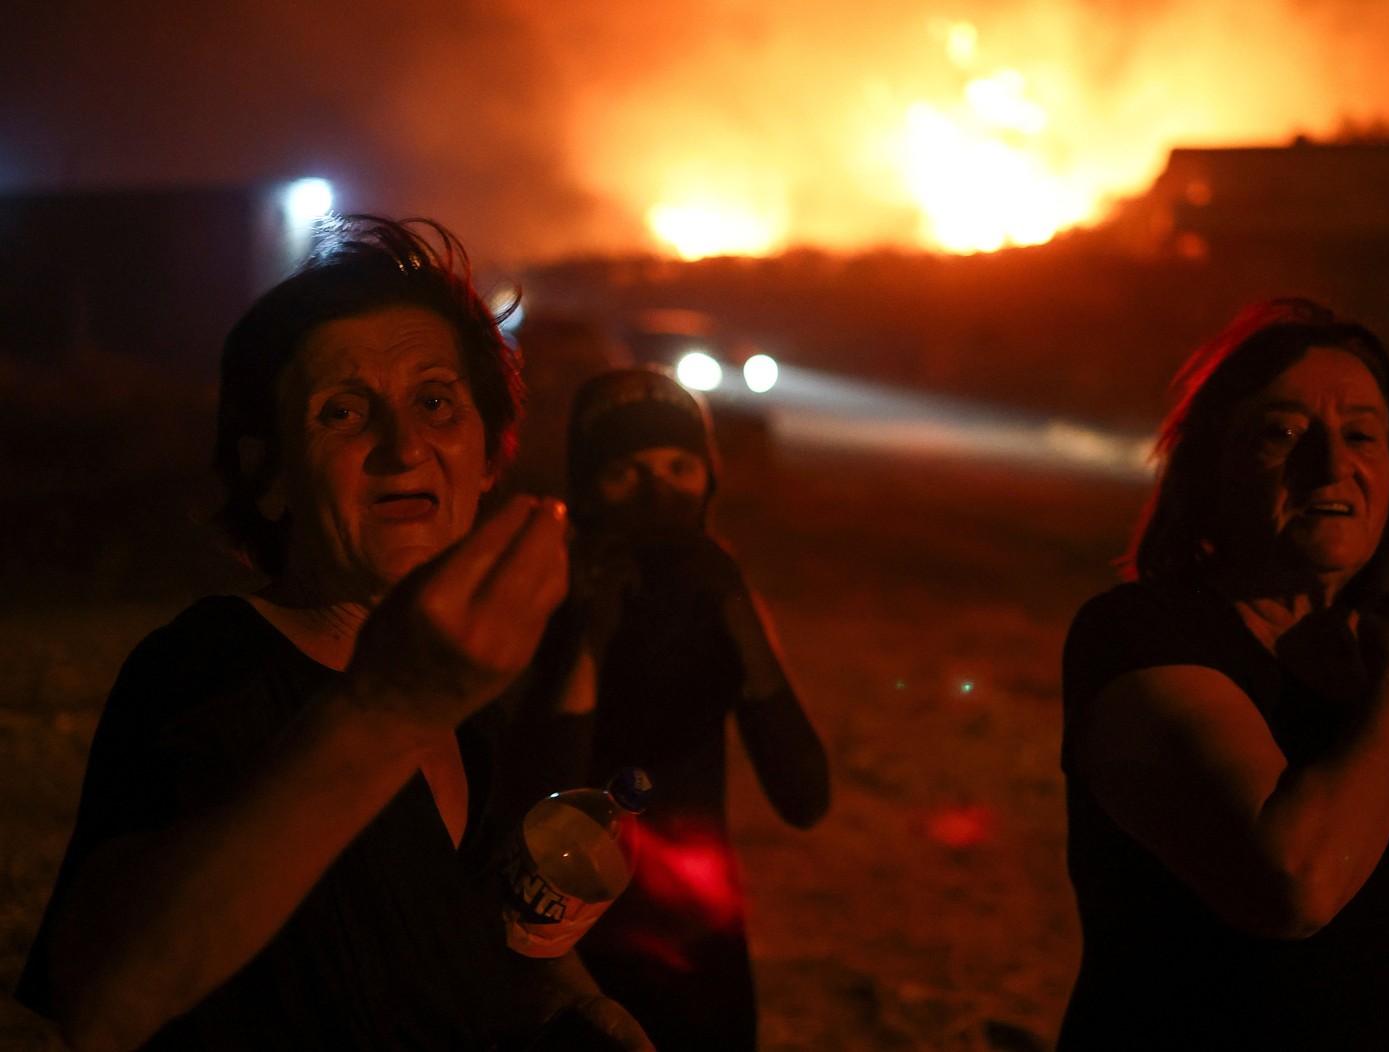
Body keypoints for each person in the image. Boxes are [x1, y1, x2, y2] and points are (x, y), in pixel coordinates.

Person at [15, 216, 651, 1051]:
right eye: (343, 413)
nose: (404, 447)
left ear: (489, 455)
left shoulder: (466, 697)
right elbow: (104, 1001)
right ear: (269, 476)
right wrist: (388, 708)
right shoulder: (209, 669)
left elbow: (445, 927)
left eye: (435, 402)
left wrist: (566, 998)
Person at [1056, 298, 1389, 1048]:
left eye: (1361, 435)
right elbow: (1292, 883)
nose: (1332, 463)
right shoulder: (1142, 636)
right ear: (1209, 466)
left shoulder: (1379, 659)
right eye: (1283, 432)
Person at [523, 367, 830, 1051]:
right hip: (575, 952)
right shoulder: (544, 603)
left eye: (679, 466)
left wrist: (734, 607)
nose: (659, 493)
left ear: (709, 477)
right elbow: (548, 814)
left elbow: (805, 796)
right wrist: (589, 634)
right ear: (587, 491)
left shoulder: (714, 598)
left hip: (705, 947)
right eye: (626, 472)